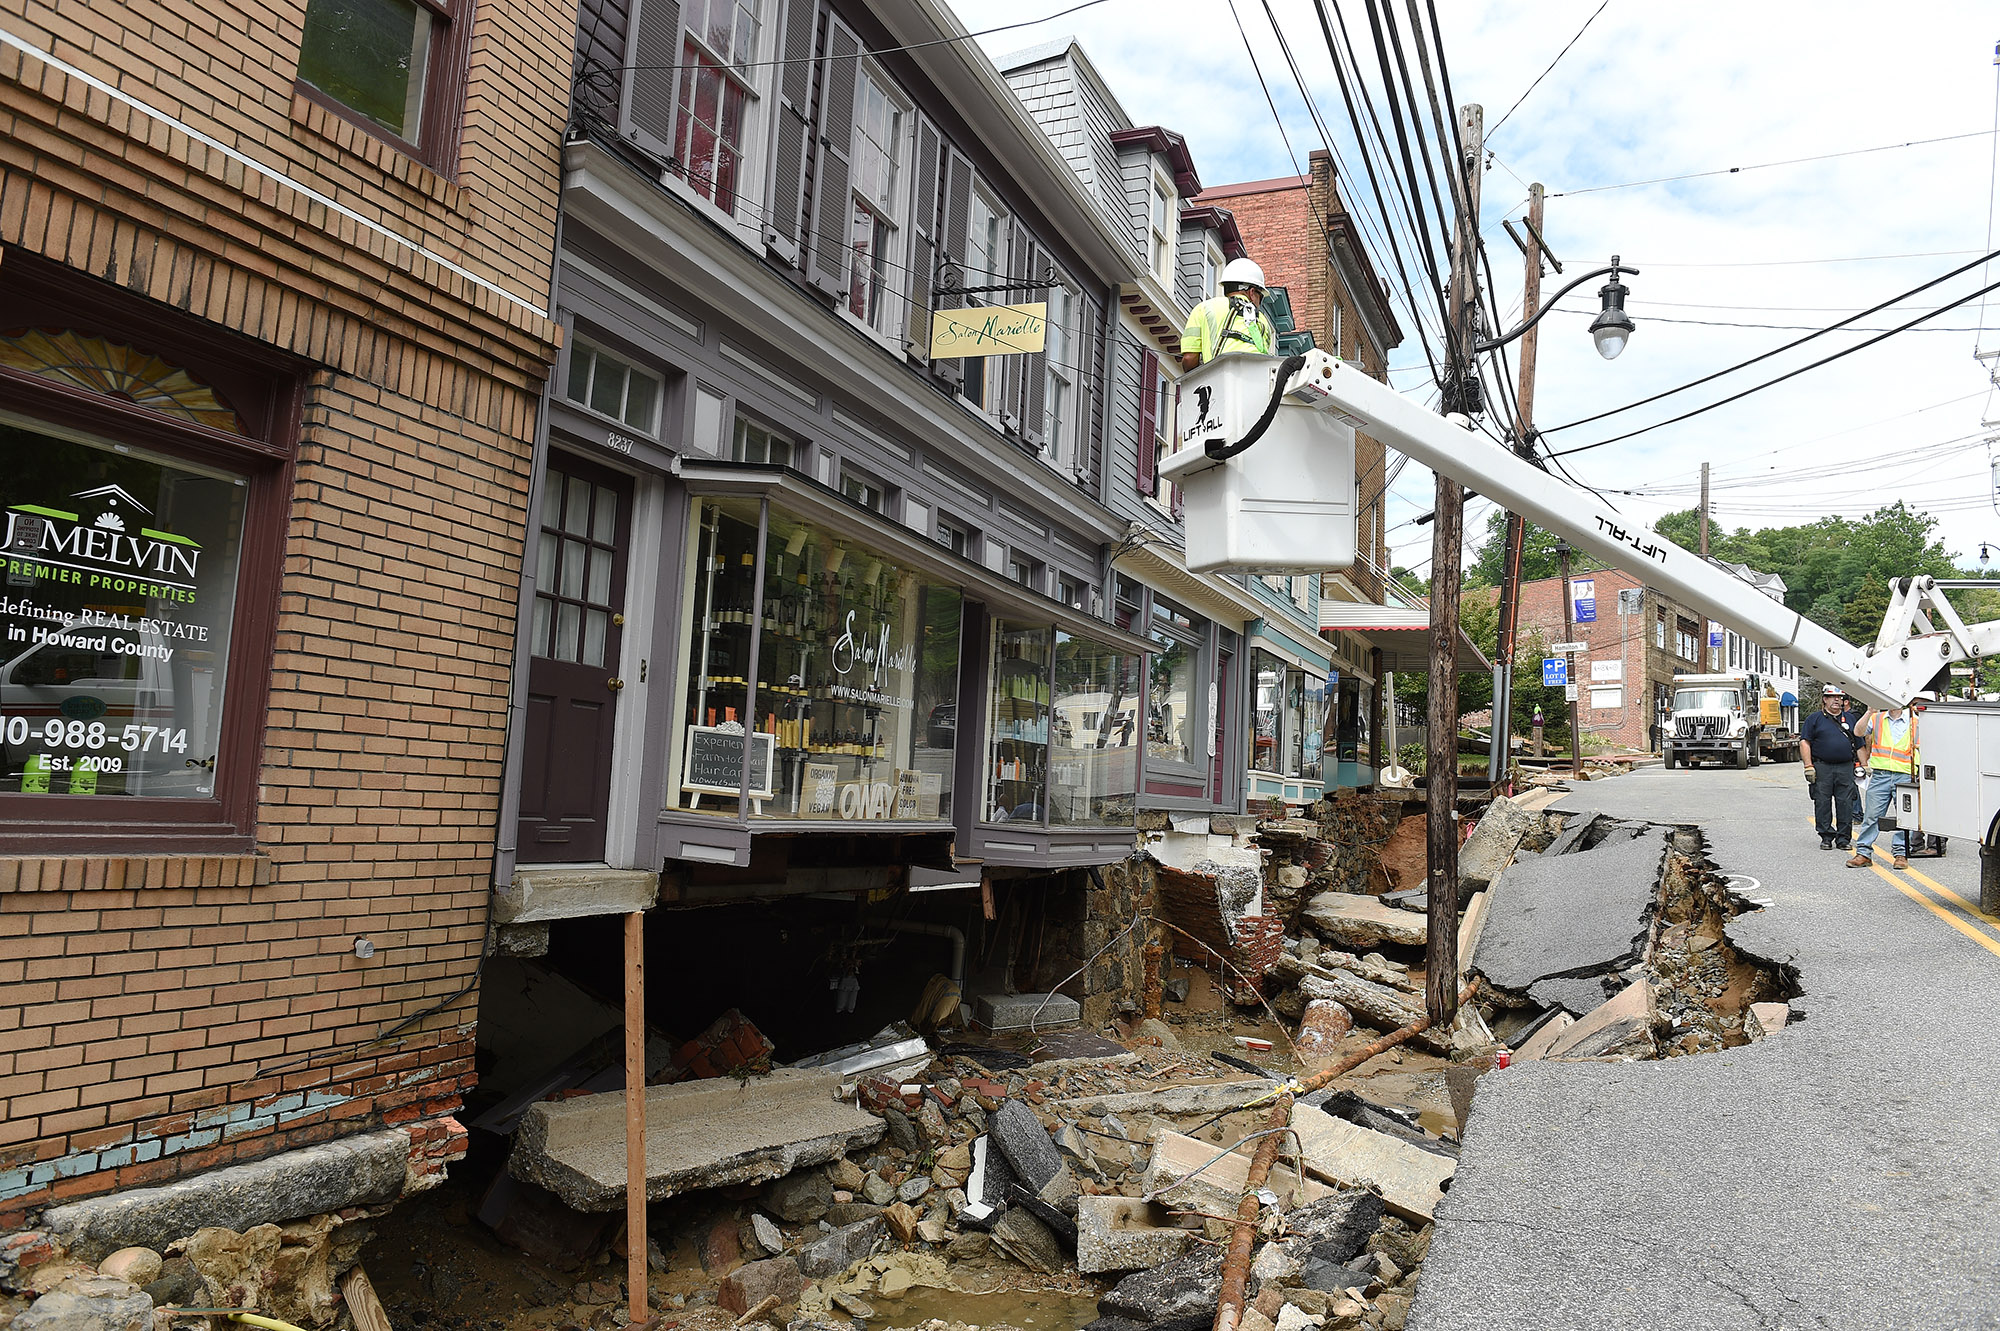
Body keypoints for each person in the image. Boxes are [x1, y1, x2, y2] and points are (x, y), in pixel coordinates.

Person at [1850, 699, 1917, 869]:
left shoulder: (1915, 721)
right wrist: (1869, 711)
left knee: (1905, 817)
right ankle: (1863, 853)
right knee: (1871, 815)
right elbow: (1857, 732)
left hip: (1904, 775)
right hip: (1881, 775)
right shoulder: (1877, 718)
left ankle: (1901, 854)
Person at [1181, 257, 1279, 370]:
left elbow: (1189, 358)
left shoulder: (1203, 308)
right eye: (1260, 297)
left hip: (1220, 379)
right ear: (1252, 292)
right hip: (1254, 380)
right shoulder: (1262, 320)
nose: (1259, 304)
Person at [1800, 683, 1862, 850]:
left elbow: (1859, 744)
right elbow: (1805, 742)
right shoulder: (1814, 719)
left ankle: (1843, 839)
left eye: (1840, 697)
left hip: (1845, 767)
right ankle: (1826, 836)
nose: (1837, 700)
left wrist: (1864, 765)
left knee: (1846, 803)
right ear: (1825, 699)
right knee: (1822, 803)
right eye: (1833, 697)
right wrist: (1808, 766)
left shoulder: (1850, 719)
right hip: (1822, 767)